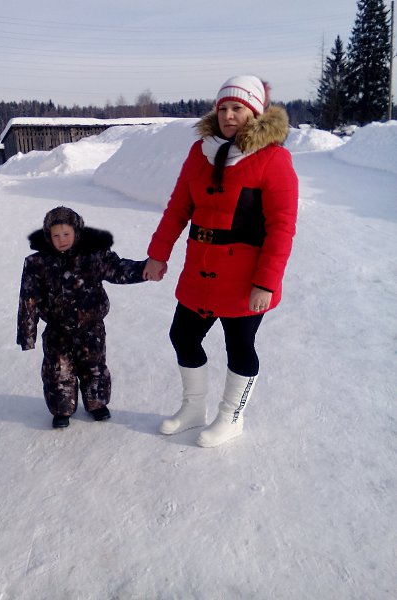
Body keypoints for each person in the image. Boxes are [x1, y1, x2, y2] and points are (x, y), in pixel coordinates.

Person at [143, 74, 298, 447]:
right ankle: (193, 408)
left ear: (254, 112)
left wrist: (267, 282)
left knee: (239, 348)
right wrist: (157, 254)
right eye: (224, 108)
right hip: (200, 271)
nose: (229, 115)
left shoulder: (273, 159)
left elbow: (282, 227)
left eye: (238, 108)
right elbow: (178, 208)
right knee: (182, 335)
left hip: (246, 279)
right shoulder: (200, 153)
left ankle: (231, 418)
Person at [17, 206, 148, 429]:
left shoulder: (94, 255)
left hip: (91, 327)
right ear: (48, 235)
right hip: (57, 330)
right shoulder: (37, 263)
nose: (61, 239)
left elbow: (118, 269)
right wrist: (27, 334)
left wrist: (146, 269)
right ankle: (62, 409)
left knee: (94, 366)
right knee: (59, 371)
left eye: (66, 234)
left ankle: (96, 403)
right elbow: (28, 299)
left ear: (77, 232)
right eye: (55, 235)